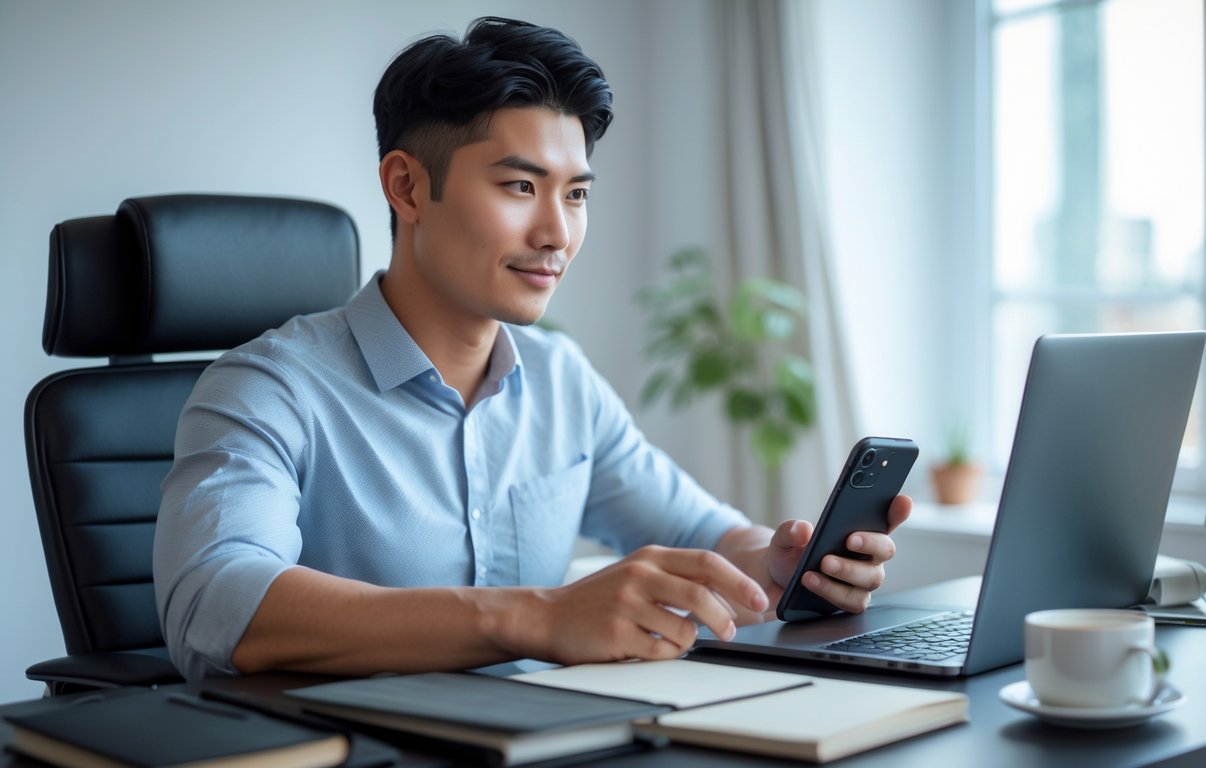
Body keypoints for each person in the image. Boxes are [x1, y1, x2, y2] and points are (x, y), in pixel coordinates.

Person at [153, 16, 911, 681]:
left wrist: (776, 568)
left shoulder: (560, 380)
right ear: (407, 188)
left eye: (576, 194)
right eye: (520, 187)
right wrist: (534, 617)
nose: (556, 234)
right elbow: (216, 601)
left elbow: (700, 534)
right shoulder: (263, 387)